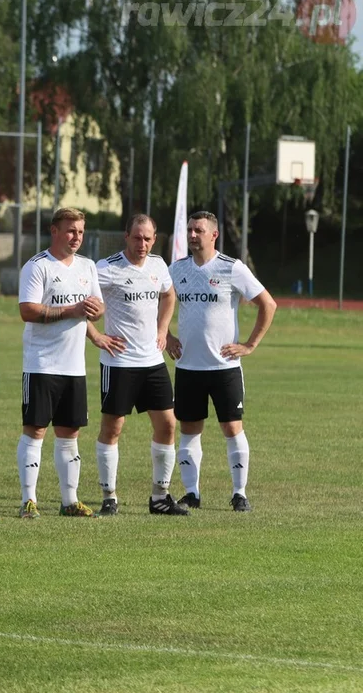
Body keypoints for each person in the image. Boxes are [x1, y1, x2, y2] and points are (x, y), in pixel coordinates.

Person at [166, 211, 277, 512]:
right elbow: (157, 305)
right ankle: (191, 493)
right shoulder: (177, 269)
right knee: (189, 429)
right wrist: (168, 336)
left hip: (224, 367)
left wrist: (250, 344)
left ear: (213, 235)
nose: (191, 235)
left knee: (231, 427)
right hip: (188, 366)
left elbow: (268, 303)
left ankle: (239, 493)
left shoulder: (232, 268)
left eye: (198, 230)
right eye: (189, 229)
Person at [92, 214, 189, 516]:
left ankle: (160, 497)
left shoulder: (159, 266)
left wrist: (163, 330)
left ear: (154, 239)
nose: (143, 244)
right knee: (113, 428)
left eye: (148, 238)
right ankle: (110, 497)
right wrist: (96, 336)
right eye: (137, 237)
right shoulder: (106, 268)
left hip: (152, 362)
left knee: (168, 425)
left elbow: (169, 295)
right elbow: (80, 302)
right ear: (127, 236)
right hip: (118, 362)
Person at [16, 207, 108, 518]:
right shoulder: (37, 266)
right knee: (36, 431)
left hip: (74, 367)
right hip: (41, 364)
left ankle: (70, 501)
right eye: (70, 231)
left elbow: (96, 306)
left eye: (80, 232)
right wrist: (72, 310)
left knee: (70, 433)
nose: (76, 237)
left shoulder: (87, 266)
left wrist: (95, 310)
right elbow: (28, 311)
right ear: (54, 231)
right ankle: (29, 500)